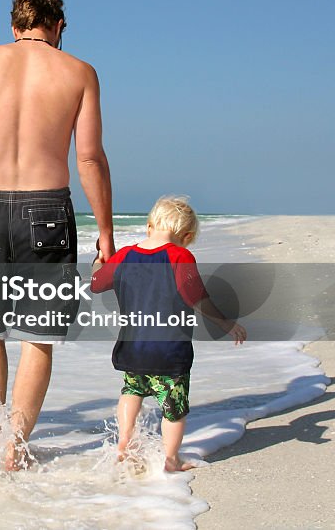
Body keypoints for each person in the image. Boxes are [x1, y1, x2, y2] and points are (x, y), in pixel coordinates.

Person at [0, 0, 115, 469]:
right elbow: (89, 158)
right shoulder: (79, 72)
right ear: (58, 27)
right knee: (39, 334)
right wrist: (106, 232)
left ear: (14, 28)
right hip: (48, 210)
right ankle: (15, 445)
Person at [90, 196, 247, 472]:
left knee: (131, 390)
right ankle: (171, 459)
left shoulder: (125, 255)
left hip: (133, 347)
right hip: (169, 351)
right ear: (186, 236)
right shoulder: (180, 256)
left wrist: (98, 263)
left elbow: (96, 284)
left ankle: (125, 441)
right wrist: (225, 323)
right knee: (174, 408)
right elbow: (194, 295)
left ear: (149, 226)